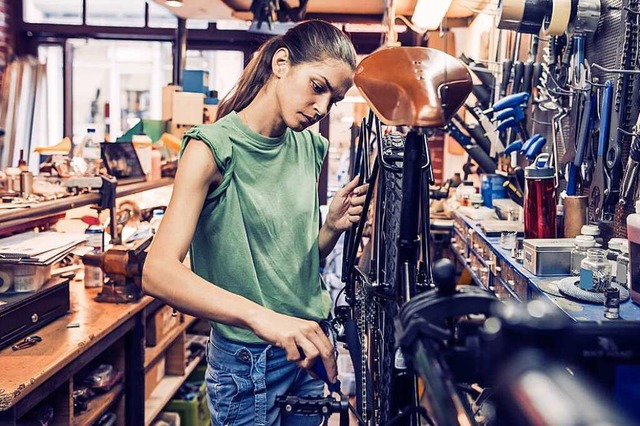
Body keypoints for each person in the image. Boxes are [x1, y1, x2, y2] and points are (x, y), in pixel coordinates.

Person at [142, 20, 367, 425]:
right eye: (318, 87)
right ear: (282, 63)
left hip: (310, 350)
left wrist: (331, 227)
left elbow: (290, 267)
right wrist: (262, 318)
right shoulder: (211, 147)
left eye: (333, 100)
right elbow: (157, 272)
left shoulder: (309, 147)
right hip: (249, 365)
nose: (321, 109)